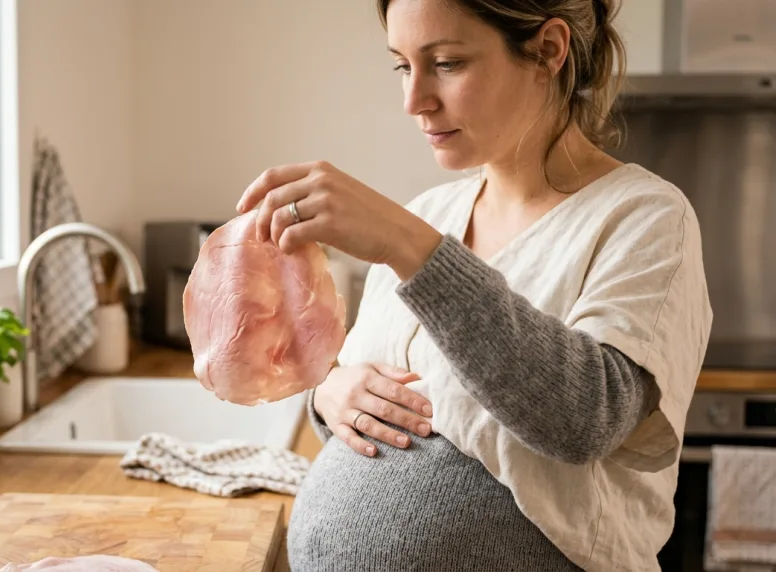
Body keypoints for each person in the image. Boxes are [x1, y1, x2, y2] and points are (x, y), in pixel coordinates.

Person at [234, 0, 713, 570]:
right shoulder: (429, 213)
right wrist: (329, 394)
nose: (415, 102)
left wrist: (409, 247)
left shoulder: (644, 217)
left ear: (549, 50)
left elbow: (590, 418)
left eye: (448, 63)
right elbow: (373, 401)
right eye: (403, 66)